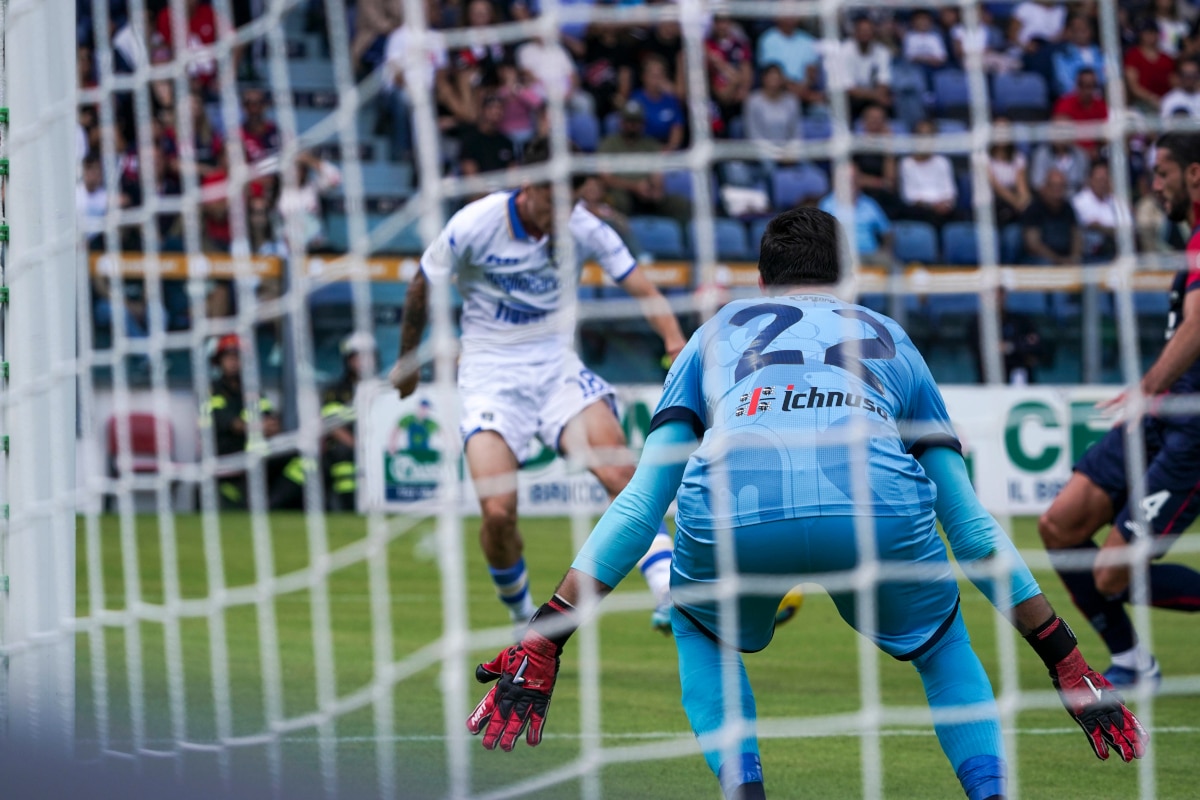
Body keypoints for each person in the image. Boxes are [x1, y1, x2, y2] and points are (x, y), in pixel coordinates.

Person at [465, 207, 1146, 800]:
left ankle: (746, 789)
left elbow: (642, 503)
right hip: (877, 514)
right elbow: (967, 524)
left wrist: (546, 634)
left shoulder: (714, 335)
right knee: (942, 645)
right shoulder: (891, 337)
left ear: (761, 282)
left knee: (700, 629)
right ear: (845, 279)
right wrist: (1063, 655)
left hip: (734, 516)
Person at [389, 137, 688, 632]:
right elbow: (423, 281)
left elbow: (639, 284)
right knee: (499, 512)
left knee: (619, 474)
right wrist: (407, 361)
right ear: (528, 186)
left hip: (555, 368)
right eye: (554, 199)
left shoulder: (582, 226)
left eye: (571, 199)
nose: (562, 212)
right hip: (489, 375)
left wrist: (674, 336)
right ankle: (520, 615)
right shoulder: (476, 224)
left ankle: (668, 592)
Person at [1039, 130, 1200, 690]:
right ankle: (1133, 661)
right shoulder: (1190, 242)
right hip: (1160, 418)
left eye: (1162, 173)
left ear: (1195, 174)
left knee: (1109, 574)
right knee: (1058, 526)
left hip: (1191, 431)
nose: (1155, 186)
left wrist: (1149, 386)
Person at [202, 333, 309, 510]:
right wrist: (259, 427)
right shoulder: (212, 391)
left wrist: (264, 426)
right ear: (219, 361)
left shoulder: (253, 391)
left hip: (256, 450)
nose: (234, 362)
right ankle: (256, 503)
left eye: (238, 357)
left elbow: (273, 423)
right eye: (229, 357)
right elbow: (231, 424)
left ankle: (271, 504)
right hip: (226, 453)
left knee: (301, 456)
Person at [320, 332, 376, 511]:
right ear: (348, 361)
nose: (363, 362)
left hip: (377, 447)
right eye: (357, 357)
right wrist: (357, 445)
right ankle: (348, 507)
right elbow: (332, 425)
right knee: (341, 454)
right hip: (347, 447)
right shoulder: (336, 390)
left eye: (368, 357)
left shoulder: (382, 388)